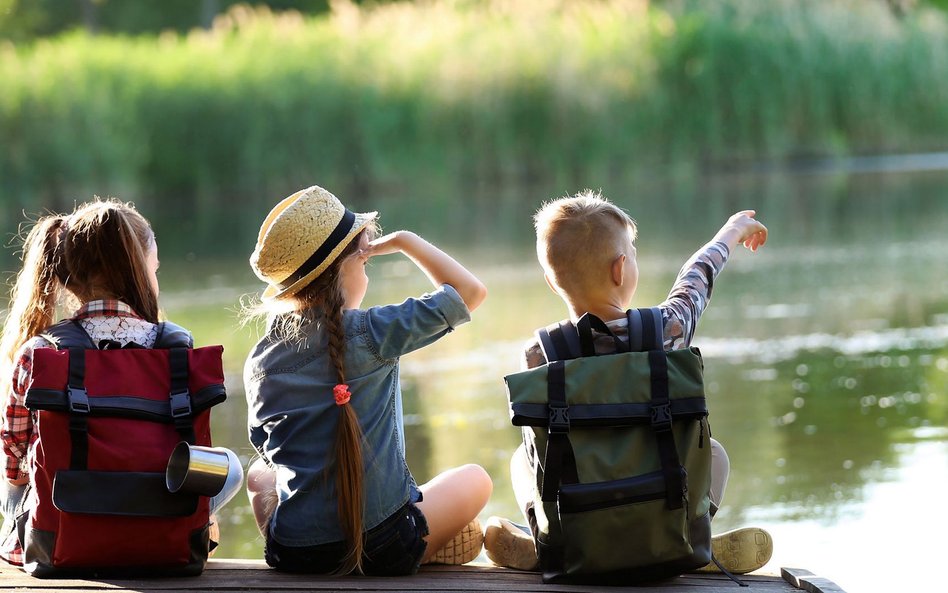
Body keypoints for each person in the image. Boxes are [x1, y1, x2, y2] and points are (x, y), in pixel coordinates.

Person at [484, 190, 773, 575]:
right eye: (633, 255)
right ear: (621, 269)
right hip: (662, 504)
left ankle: (547, 542)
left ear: (553, 284)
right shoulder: (666, 331)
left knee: (523, 459)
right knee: (714, 452)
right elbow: (696, 280)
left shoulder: (540, 353)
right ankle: (686, 535)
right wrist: (731, 231)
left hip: (579, 523)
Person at [243, 185, 492, 576]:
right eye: (364, 263)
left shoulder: (261, 359)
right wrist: (407, 242)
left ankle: (339, 548)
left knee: (258, 474)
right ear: (345, 268)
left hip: (294, 553)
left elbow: (265, 448)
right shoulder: (372, 331)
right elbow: (470, 293)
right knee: (477, 480)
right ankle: (424, 545)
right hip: (386, 544)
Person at [0, 198, 243, 566]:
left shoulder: (40, 352)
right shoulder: (178, 349)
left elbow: (15, 461)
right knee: (230, 466)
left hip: (62, 537)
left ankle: (24, 541)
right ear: (138, 271)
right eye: (155, 269)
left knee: (12, 477)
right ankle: (194, 528)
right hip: (162, 526)